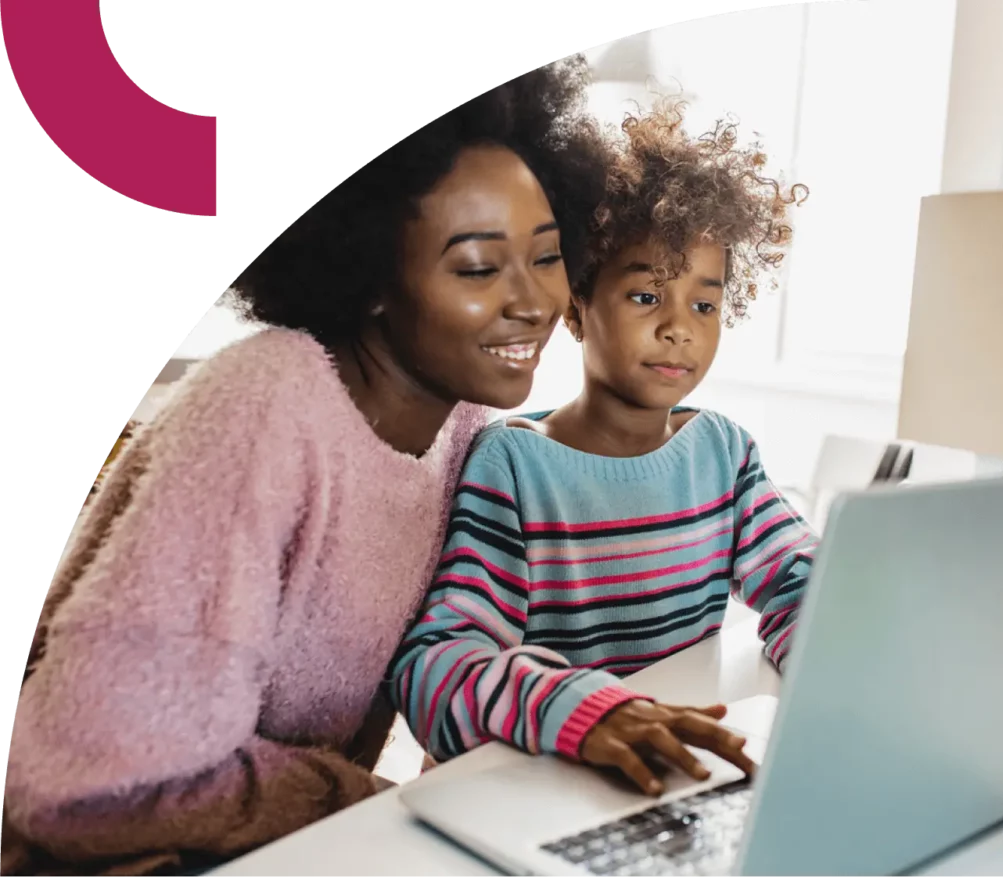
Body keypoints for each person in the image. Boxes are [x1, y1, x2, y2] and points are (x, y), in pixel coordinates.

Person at [1, 59, 612, 877]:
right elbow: (99, 785)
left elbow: (451, 653)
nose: (533, 302)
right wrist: (358, 799)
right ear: (369, 280)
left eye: (545, 256)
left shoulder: (465, 422)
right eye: (476, 268)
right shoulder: (267, 401)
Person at [388, 102, 815, 797]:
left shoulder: (723, 455)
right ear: (579, 305)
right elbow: (436, 670)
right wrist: (584, 711)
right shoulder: (515, 465)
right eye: (648, 295)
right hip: (536, 781)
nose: (679, 328)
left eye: (704, 306)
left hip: (665, 777)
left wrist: (828, 661)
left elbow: (803, 581)